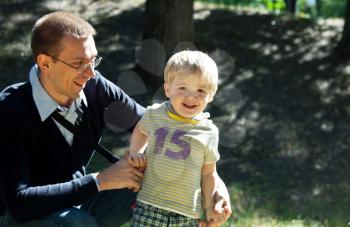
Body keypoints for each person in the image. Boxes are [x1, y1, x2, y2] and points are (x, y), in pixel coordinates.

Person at [0, 12, 231, 226]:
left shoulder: (94, 85)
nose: (90, 73)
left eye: (93, 61)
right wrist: (101, 180)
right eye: (78, 63)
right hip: (23, 216)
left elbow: (163, 126)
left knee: (155, 171)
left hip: (80, 205)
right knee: (76, 223)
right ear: (45, 63)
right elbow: (20, 204)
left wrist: (213, 187)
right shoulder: (9, 110)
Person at [127, 50, 231, 226]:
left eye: (201, 90)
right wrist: (136, 152)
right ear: (167, 89)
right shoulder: (154, 115)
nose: (191, 96)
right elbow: (140, 130)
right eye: (182, 88)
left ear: (211, 95)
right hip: (149, 205)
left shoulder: (208, 131)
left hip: (187, 214)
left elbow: (208, 173)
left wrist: (209, 208)